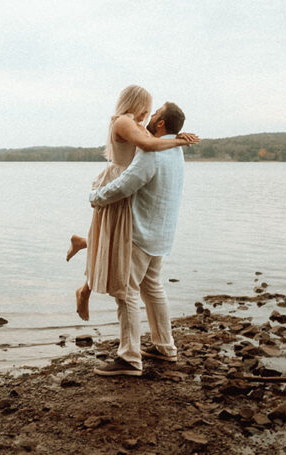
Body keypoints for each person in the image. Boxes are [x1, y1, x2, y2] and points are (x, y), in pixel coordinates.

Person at [67, 86, 198, 322]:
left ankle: (83, 254)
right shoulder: (123, 122)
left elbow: (153, 140)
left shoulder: (136, 125)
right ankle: (84, 282)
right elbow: (148, 146)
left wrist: (175, 136)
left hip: (128, 184)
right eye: (148, 107)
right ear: (137, 103)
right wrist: (177, 141)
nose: (149, 113)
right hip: (120, 181)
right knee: (111, 239)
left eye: (154, 111)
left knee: (112, 239)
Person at [88, 101, 189, 377]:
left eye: (155, 113)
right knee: (152, 288)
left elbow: (126, 184)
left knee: (126, 292)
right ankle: (165, 347)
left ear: (159, 123)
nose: (150, 115)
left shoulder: (151, 151)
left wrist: (96, 196)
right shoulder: (176, 149)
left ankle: (130, 357)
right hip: (163, 232)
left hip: (141, 231)